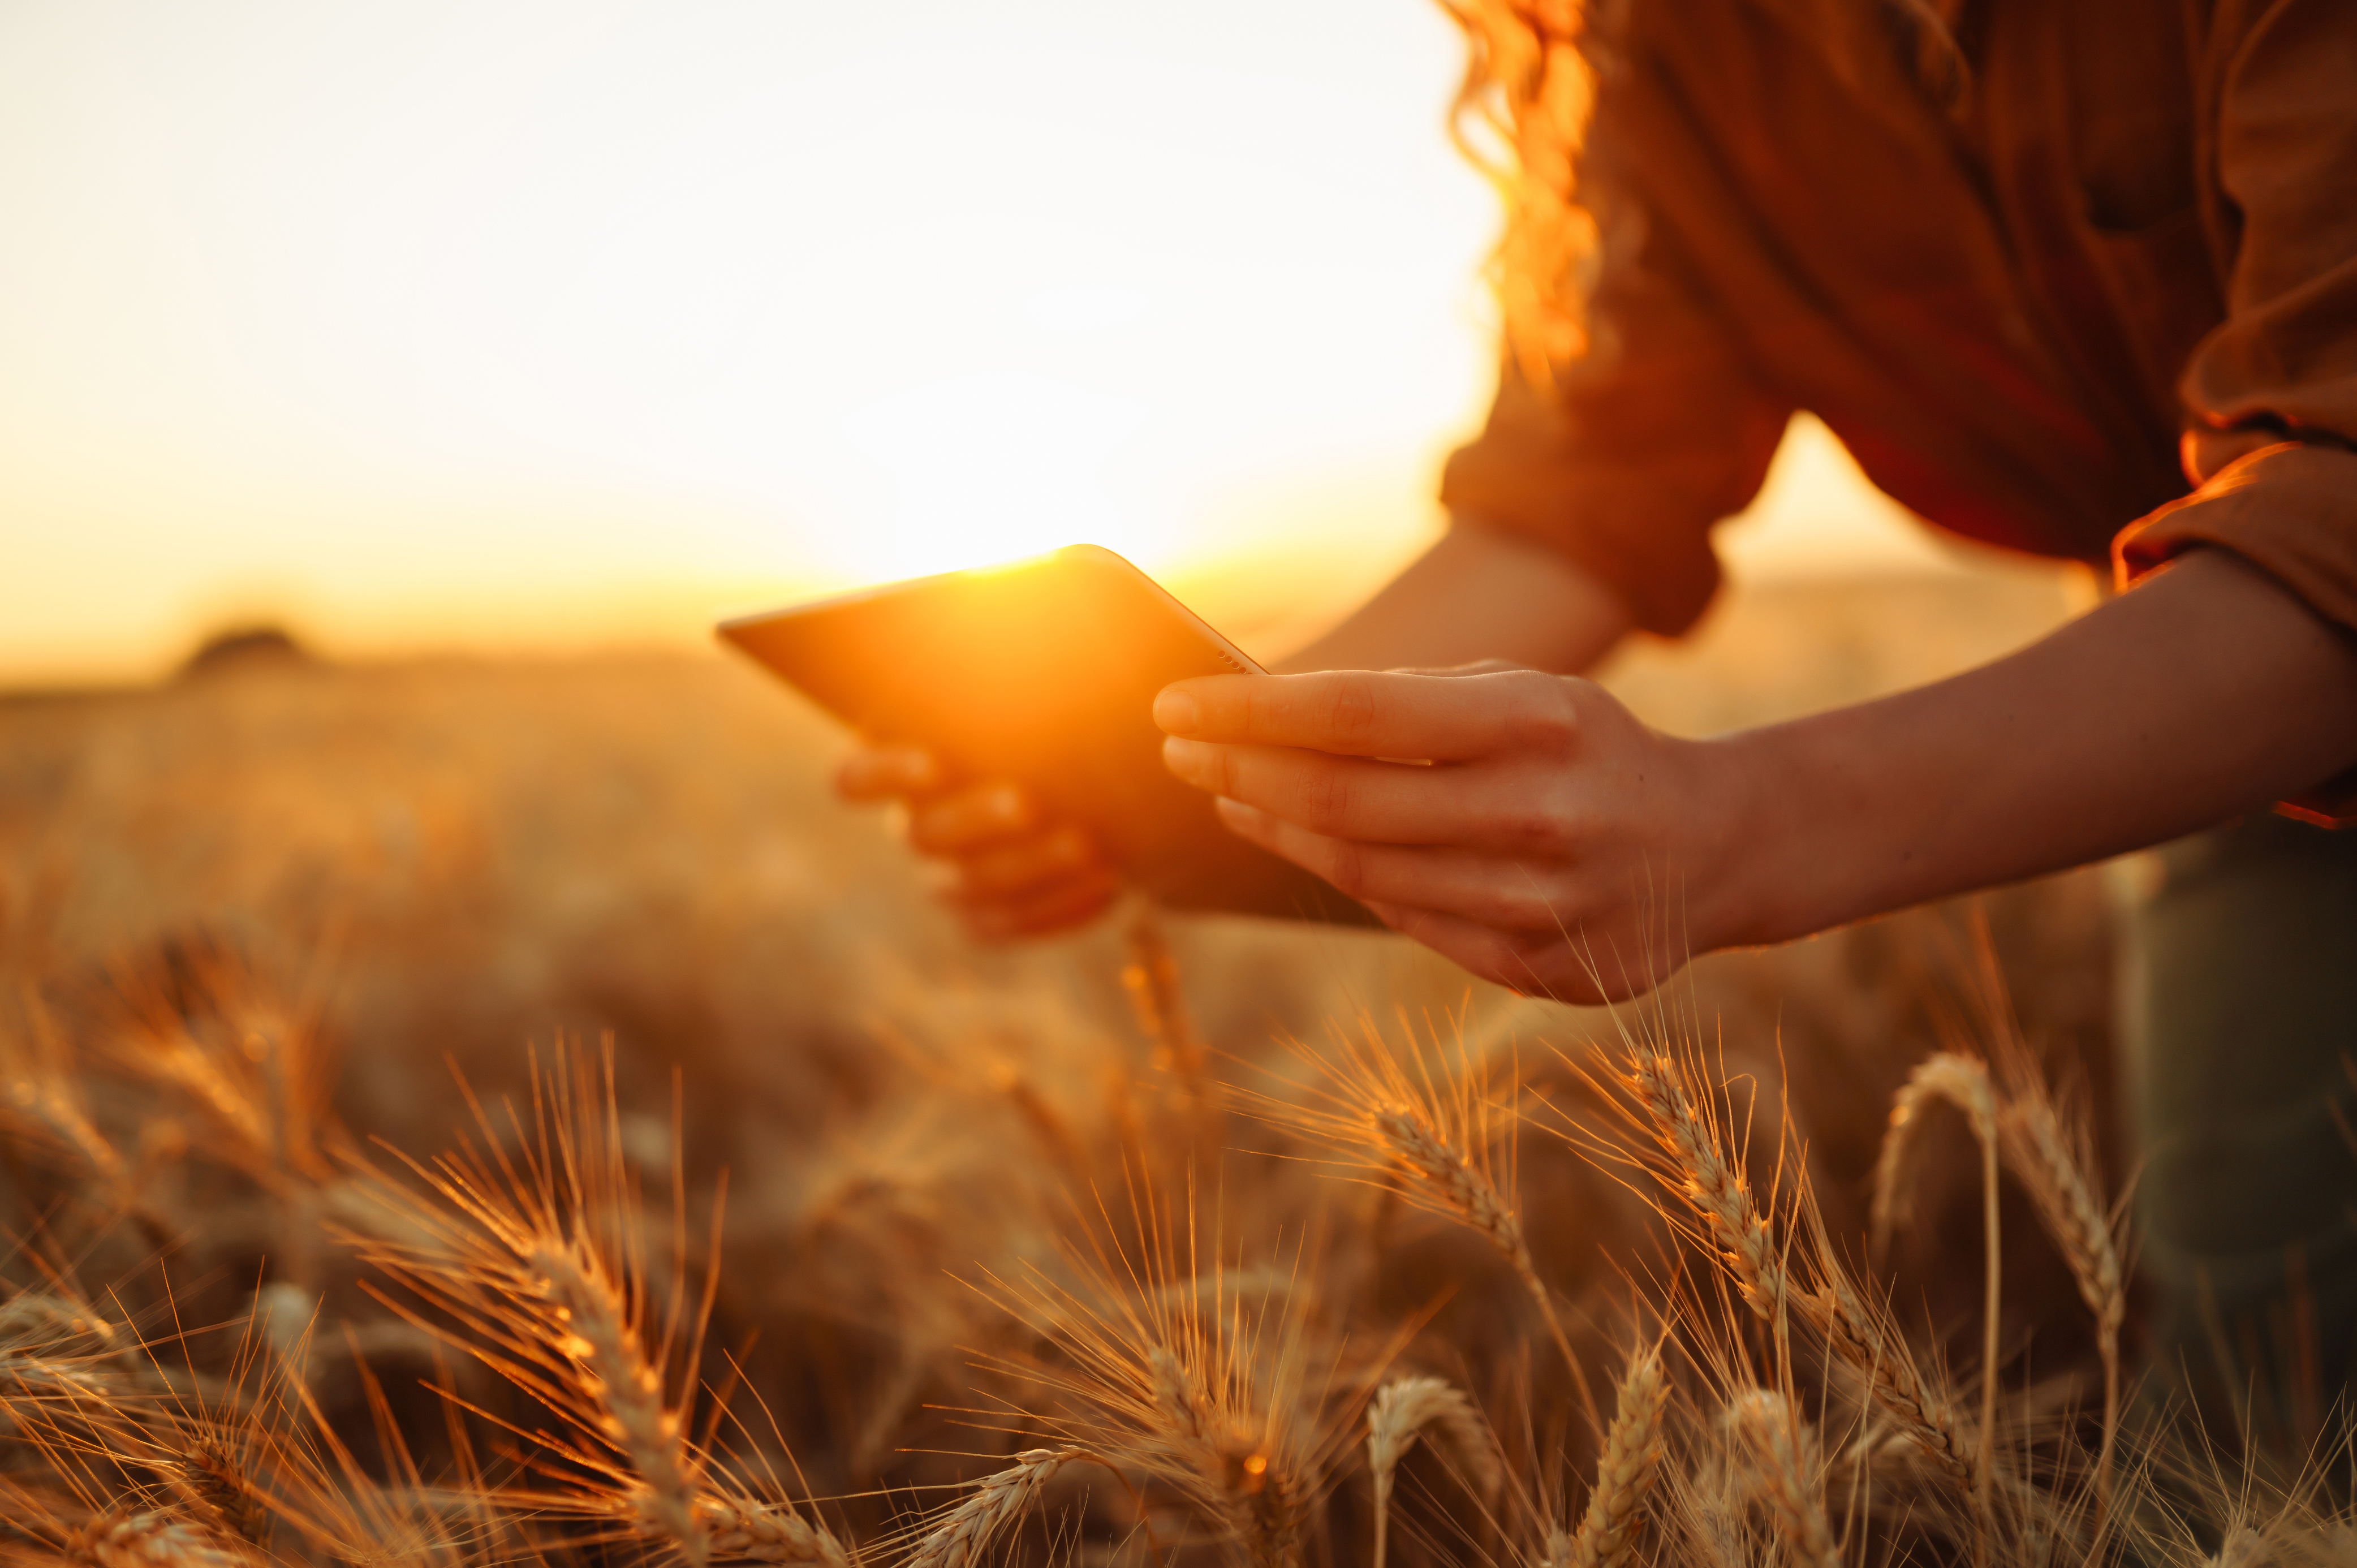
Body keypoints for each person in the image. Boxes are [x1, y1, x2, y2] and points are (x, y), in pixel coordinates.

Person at [838, 0, 2357, 1415]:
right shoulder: (1673, 52)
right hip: (2204, 716)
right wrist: (1157, 756)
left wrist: (1739, 831)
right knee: (2255, 1417)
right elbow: (1577, 499)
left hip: (2250, 659)